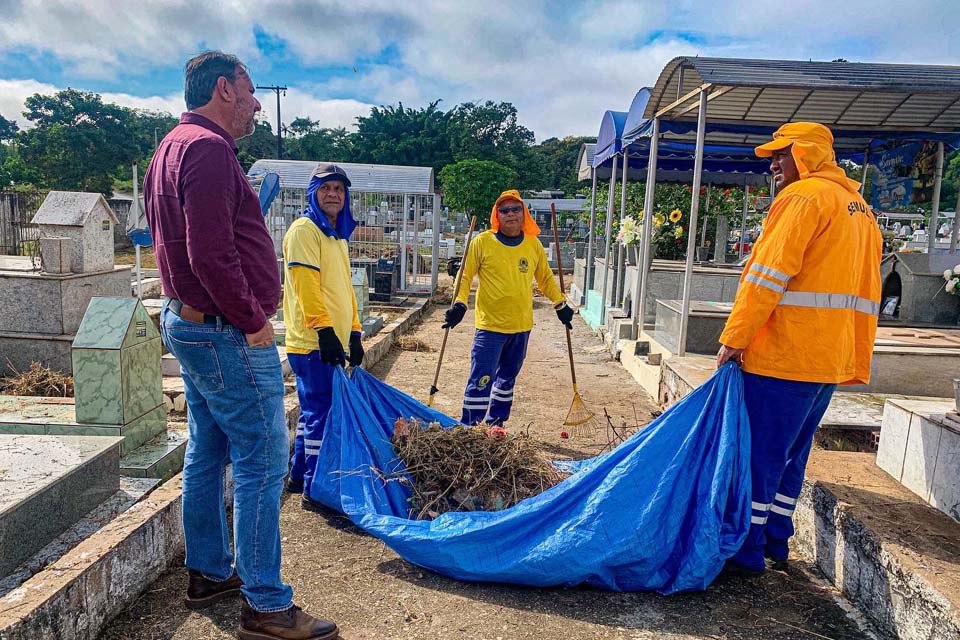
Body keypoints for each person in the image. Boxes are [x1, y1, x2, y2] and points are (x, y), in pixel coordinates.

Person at [144, 51, 339, 640]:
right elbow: (210, 252)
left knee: (208, 451)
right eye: (252, 93)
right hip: (224, 329)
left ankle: (208, 571)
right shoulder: (206, 150)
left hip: (194, 322)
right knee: (262, 457)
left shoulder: (172, 146)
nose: (258, 105)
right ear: (225, 90)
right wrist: (253, 319)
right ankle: (267, 604)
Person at [716, 122, 882, 575]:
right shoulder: (860, 209)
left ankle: (744, 549)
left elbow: (767, 276)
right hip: (826, 361)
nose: (772, 165)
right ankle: (775, 539)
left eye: (780, 155)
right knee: (792, 455)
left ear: (805, 155)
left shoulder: (803, 197)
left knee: (760, 454)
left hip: (784, 356)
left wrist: (735, 337)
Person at [443, 190, 573, 426]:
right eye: (504, 210)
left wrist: (560, 303)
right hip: (490, 327)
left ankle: (496, 424)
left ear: (524, 214)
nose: (510, 214)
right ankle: (470, 426)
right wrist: (459, 304)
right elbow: (464, 276)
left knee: (507, 379)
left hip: (521, 326)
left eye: (516, 209)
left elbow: (545, 279)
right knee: (482, 378)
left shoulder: (532, 245)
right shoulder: (482, 242)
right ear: (497, 215)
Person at [282, 164, 363, 510]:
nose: (333, 195)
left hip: (332, 340)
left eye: (339, 189)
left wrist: (355, 332)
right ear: (313, 193)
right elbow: (305, 286)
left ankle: (300, 474)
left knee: (314, 410)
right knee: (322, 413)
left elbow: (345, 289)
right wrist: (326, 331)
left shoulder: (336, 236)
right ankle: (316, 489)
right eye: (326, 188)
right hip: (314, 342)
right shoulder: (305, 230)